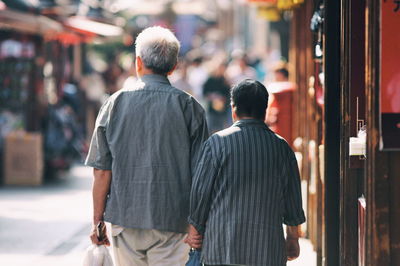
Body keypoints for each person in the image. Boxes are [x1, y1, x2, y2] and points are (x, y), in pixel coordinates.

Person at [85, 26, 209, 266]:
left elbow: (101, 171)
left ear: (138, 62)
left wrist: (97, 222)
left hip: (125, 219)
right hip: (174, 220)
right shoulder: (190, 107)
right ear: (174, 66)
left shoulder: (115, 103)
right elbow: (201, 173)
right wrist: (198, 223)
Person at [185, 79, 305, 266]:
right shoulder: (281, 148)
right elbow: (293, 200)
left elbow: (201, 193)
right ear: (264, 110)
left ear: (233, 109)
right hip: (267, 251)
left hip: (221, 249)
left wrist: (195, 228)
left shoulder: (216, 143)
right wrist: (292, 238)